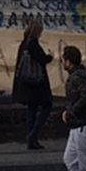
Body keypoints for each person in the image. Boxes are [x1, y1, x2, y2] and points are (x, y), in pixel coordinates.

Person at [11, 19, 53, 149]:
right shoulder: (33, 44)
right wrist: (50, 56)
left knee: (32, 110)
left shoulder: (23, 44)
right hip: (37, 84)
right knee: (47, 106)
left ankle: (31, 139)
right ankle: (33, 134)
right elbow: (42, 59)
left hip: (25, 84)